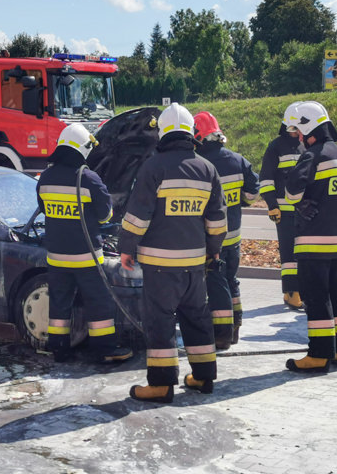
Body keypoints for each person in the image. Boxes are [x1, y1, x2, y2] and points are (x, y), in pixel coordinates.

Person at [120, 103, 227, 403]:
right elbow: (217, 222)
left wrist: (126, 247)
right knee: (197, 319)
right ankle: (203, 377)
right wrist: (213, 252)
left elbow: (138, 216)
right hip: (194, 265)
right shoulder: (208, 169)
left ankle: (161, 384)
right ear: (191, 133)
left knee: (160, 322)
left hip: (158, 265)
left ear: (162, 132)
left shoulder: (153, 167)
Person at [36, 123, 133, 364]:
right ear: (83, 149)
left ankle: (58, 349)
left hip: (56, 256)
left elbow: (43, 208)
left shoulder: (45, 177)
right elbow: (105, 216)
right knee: (99, 303)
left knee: (59, 304)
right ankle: (105, 349)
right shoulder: (89, 179)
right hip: (86, 257)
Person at [284, 101, 337, 373]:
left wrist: (300, 203)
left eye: (299, 131)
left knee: (316, 297)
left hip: (313, 240)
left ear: (309, 128)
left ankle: (319, 355)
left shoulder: (312, 155)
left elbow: (291, 191)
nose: (299, 137)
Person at [193, 111, 258, 349]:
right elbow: (252, 194)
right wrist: (239, 201)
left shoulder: (199, 164)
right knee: (232, 280)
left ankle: (221, 335)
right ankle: (235, 328)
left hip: (212, 238)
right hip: (235, 236)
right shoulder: (238, 160)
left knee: (215, 282)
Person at [259, 102, 304, 310]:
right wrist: (272, 205)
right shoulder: (276, 146)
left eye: (298, 128)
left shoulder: (306, 146)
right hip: (284, 213)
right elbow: (266, 179)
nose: (295, 132)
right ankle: (291, 292)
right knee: (288, 253)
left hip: (305, 211)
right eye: (292, 128)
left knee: (304, 252)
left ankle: (302, 290)